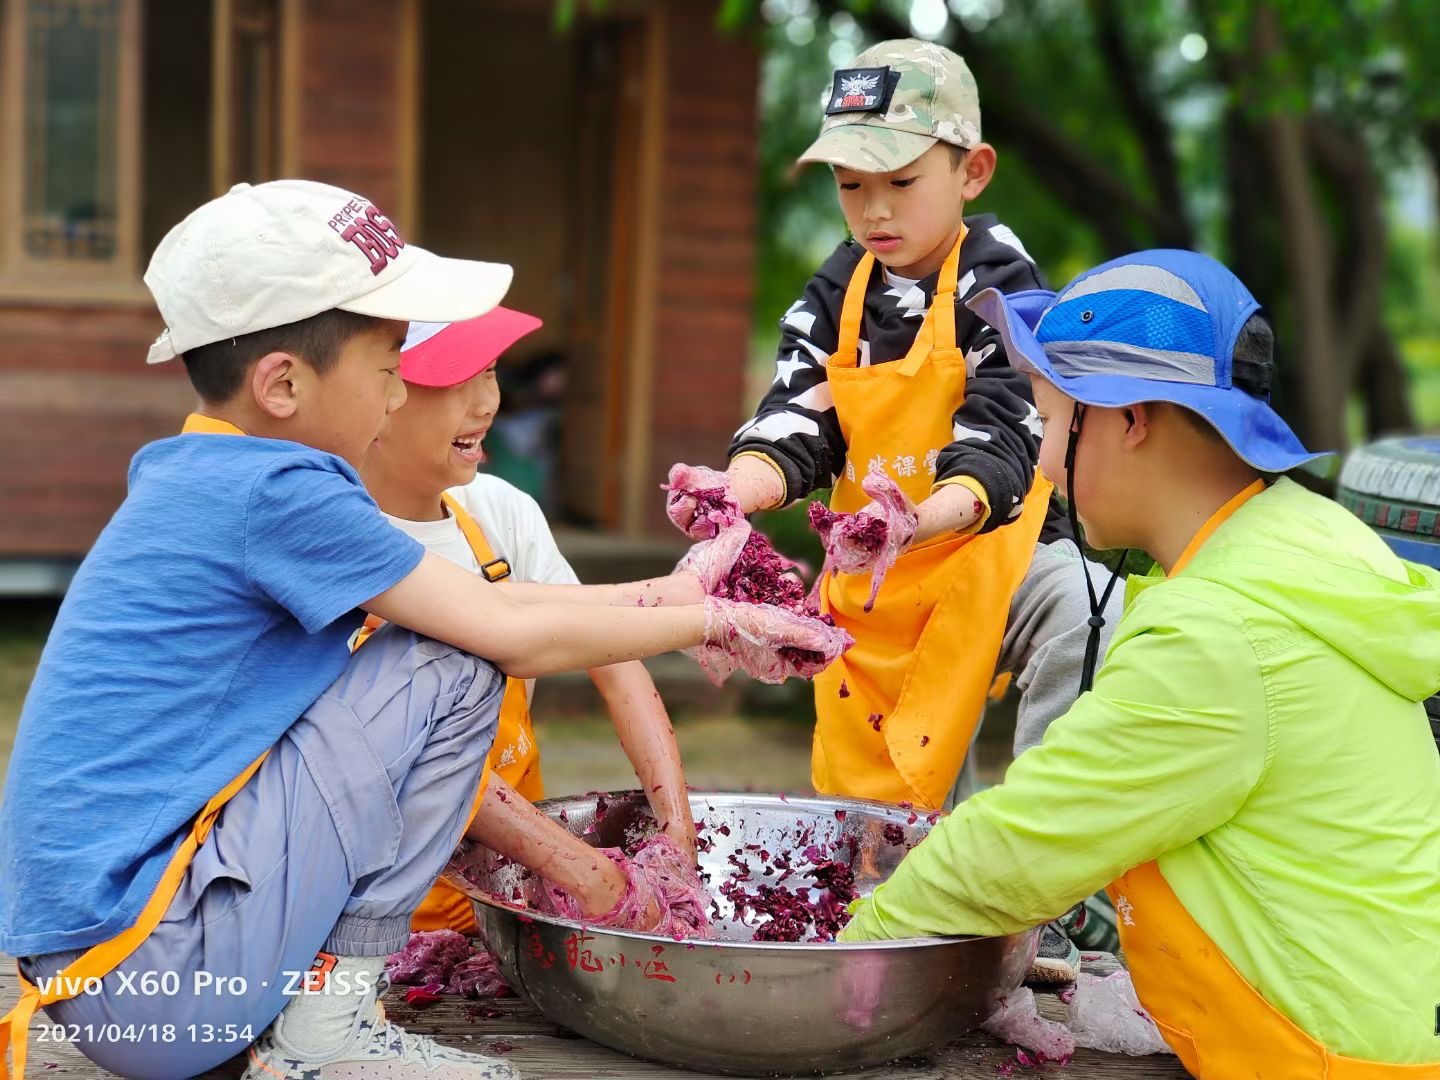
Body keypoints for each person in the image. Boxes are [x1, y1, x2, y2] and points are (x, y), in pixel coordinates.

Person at [0, 180, 841, 1080]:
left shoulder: (207, 471)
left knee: (445, 643)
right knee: (451, 665)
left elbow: (506, 604)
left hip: (120, 977)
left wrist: (686, 597)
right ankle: (326, 1034)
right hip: (156, 985)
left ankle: (306, 1022)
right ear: (283, 384)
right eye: (388, 368)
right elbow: (499, 631)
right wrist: (708, 619)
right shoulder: (278, 492)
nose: (400, 395)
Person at [839, 250, 1440, 1074]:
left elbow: (1024, 846)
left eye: (1051, 421)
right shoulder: (1307, 542)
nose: (1043, 463)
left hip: (1325, 1060)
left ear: (1130, 419)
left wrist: (848, 949)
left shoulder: (1218, 634)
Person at [665, 39, 1117, 816]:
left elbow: (1004, 438)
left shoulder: (997, 275)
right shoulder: (838, 287)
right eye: (850, 184)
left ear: (972, 172)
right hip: (875, 579)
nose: (874, 210)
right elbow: (796, 419)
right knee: (885, 824)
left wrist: (917, 519)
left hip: (992, 557)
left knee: (1087, 607)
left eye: (901, 182)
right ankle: (914, 867)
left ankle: (1049, 833)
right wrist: (730, 493)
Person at [359, 311, 698, 935]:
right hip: (380, 907)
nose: (486, 403)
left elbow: (614, 661)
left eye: (489, 371)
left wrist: (677, 829)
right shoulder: (344, 541)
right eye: (456, 380)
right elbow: (428, 763)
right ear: (381, 394)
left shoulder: (500, 511)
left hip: (510, 888)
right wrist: (590, 876)